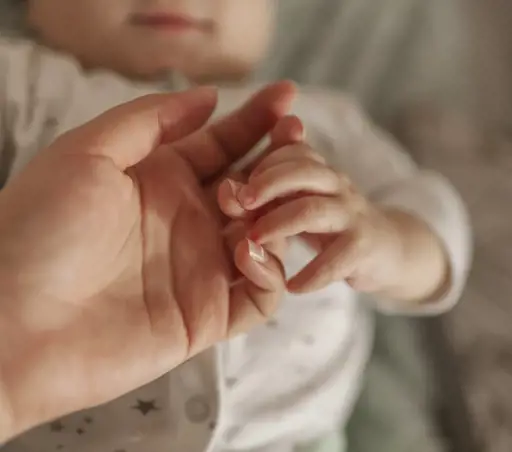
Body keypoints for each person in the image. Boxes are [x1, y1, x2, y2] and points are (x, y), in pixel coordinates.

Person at [0, 1, 472, 451]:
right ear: (33, 7)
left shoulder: (320, 120)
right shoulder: (31, 87)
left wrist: (386, 243)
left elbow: (437, 225)